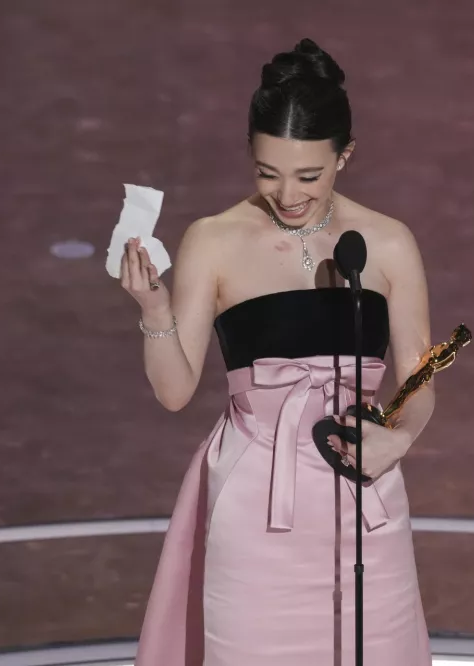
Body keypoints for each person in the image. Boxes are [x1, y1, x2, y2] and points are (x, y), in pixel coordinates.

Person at [121, 38, 435, 666]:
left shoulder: (389, 243)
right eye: (268, 172)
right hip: (257, 503)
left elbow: (420, 379)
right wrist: (154, 312)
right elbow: (175, 392)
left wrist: (399, 440)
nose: (287, 194)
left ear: (344, 156)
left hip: (362, 498)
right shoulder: (212, 240)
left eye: (308, 175)